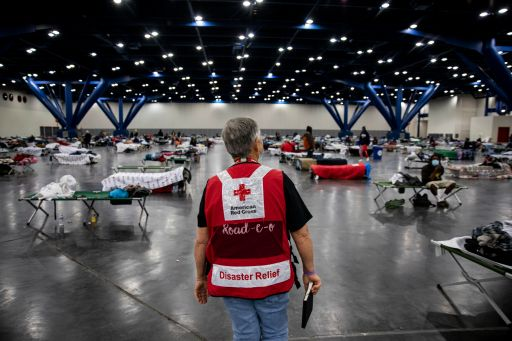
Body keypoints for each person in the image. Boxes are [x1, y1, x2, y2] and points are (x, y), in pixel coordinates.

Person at [194, 117, 321, 340]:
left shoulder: (213, 185)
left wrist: (200, 277)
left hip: (230, 279)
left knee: (244, 334)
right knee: (275, 333)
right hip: (272, 279)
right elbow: (301, 233)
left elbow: (202, 241)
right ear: (257, 143)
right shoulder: (278, 179)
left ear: (228, 147)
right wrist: (309, 272)